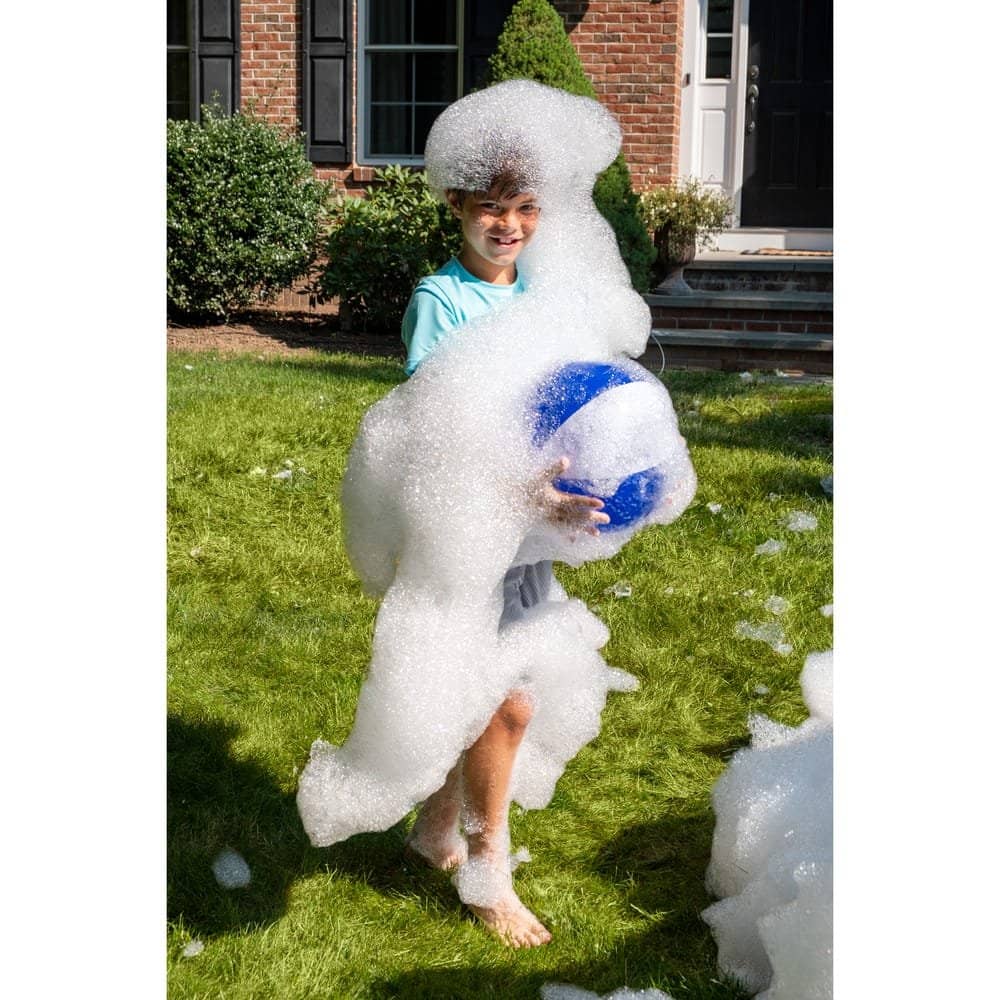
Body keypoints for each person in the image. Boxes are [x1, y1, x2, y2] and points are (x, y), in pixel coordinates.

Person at [397, 163, 610, 948]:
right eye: (490, 208)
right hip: (469, 522)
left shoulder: (539, 295)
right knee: (509, 700)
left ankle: (434, 831)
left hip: (528, 519)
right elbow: (437, 427)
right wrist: (524, 492)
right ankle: (488, 874)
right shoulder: (442, 299)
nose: (508, 225)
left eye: (524, 208)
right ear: (457, 205)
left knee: (486, 689)